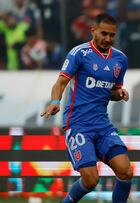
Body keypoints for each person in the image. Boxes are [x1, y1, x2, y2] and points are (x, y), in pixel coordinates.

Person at [41, 13, 133, 203]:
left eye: (112, 35)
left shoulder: (120, 59)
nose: (108, 38)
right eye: (104, 33)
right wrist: (55, 102)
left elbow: (112, 92)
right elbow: (60, 82)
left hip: (103, 124)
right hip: (78, 124)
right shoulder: (79, 53)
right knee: (91, 180)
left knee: (125, 171)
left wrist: (120, 94)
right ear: (93, 30)